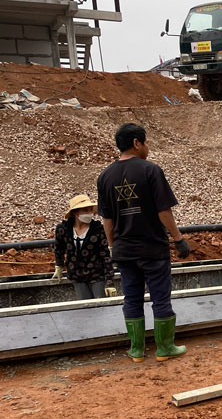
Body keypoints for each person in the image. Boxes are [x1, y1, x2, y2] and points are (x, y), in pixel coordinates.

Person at [97, 123, 191, 363]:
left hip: (124, 250)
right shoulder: (151, 170)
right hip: (152, 248)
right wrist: (178, 239)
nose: (147, 147)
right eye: (145, 142)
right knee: (160, 298)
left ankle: (137, 350)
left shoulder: (105, 176)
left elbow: (107, 219)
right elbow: (164, 211)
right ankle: (164, 348)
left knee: (132, 298)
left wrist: (111, 246)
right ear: (137, 143)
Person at [52, 194, 116, 300]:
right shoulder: (63, 229)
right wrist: (59, 265)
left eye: (90, 210)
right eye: (85, 210)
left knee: (100, 305)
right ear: (75, 212)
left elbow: (105, 256)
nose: (89, 213)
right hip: (76, 275)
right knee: (84, 306)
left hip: (96, 275)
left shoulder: (98, 229)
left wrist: (109, 282)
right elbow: (59, 248)